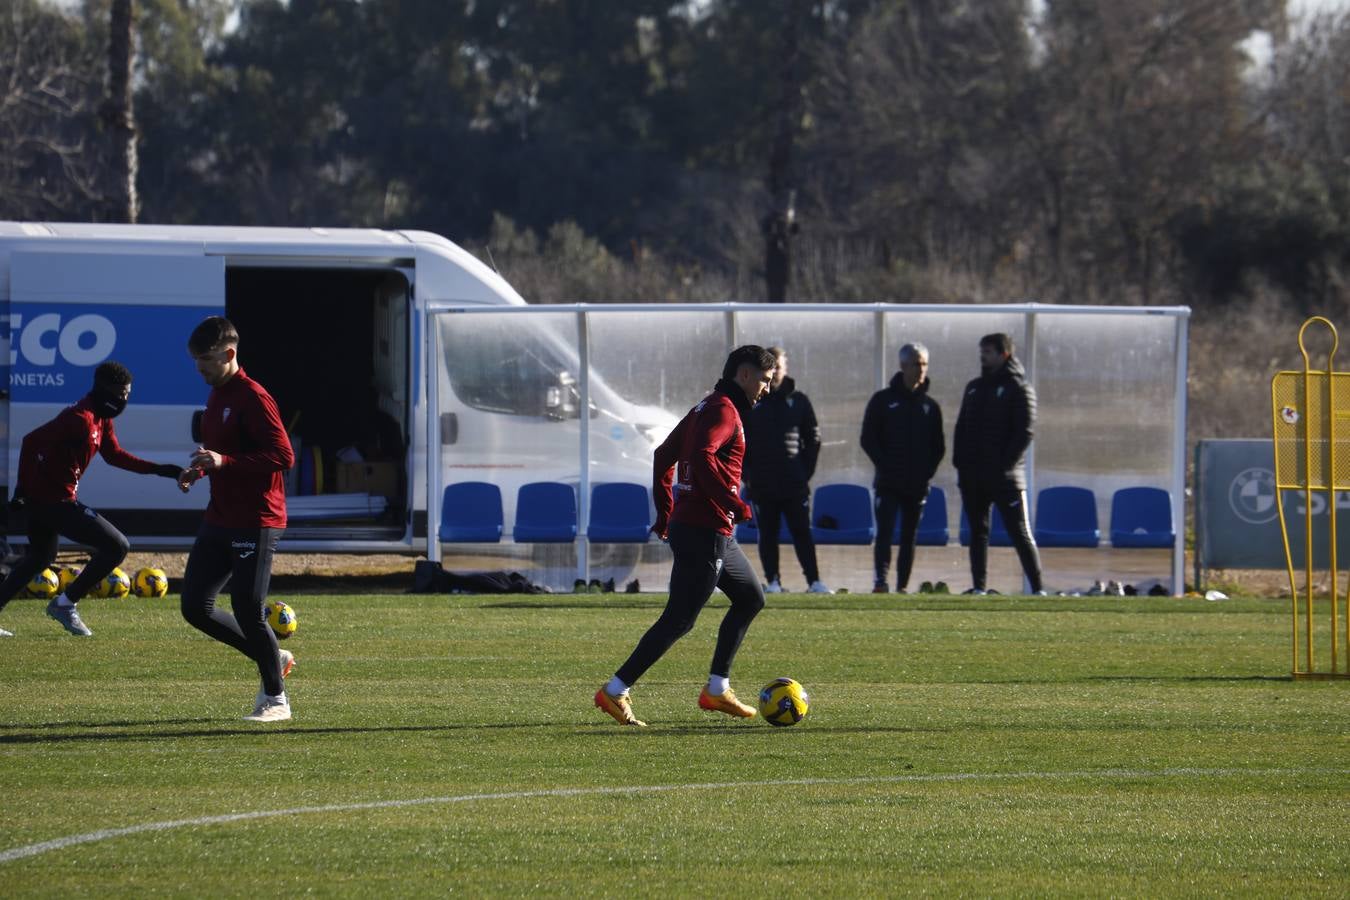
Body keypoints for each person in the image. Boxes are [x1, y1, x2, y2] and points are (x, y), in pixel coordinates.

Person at [595, 345, 777, 727]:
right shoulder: (724, 411)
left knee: (750, 598)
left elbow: (665, 455)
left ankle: (716, 688)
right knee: (679, 619)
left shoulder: (706, 406)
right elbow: (701, 457)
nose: (767, 389)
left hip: (709, 531)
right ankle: (615, 690)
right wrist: (734, 501)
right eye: (764, 380)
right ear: (744, 375)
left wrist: (665, 512)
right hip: (704, 531)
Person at [0, 362, 185, 637]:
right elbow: (30, 442)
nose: (125, 400)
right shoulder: (79, 417)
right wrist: (21, 491)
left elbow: (115, 456)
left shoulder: (101, 418)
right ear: (105, 391)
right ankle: (65, 603)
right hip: (54, 502)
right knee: (117, 546)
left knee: (40, 557)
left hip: (50, 500)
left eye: (128, 394)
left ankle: (60, 603)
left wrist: (164, 470)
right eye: (121, 394)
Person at [178, 316, 297, 722]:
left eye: (206, 360)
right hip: (221, 516)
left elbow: (284, 457)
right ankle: (271, 655)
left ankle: (276, 700)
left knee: (248, 607)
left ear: (229, 354)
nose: (199, 368)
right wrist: (201, 467)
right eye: (195, 360)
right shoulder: (216, 396)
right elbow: (221, 453)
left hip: (257, 518)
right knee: (195, 606)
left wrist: (225, 461)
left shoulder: (253, 397)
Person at [952, 333, 1044, 595]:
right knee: (978, 532)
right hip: (973, 477)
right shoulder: (974, 387)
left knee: (1019, 532)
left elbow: (1025, 432)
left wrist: (1005, 466)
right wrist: (960, 462)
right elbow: (961, 427)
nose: (983, 356)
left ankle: (1038, 589)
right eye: (981, 351)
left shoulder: (1019, 388)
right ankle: (979, 587)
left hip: (1006, 478)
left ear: (1004, 354)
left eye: (989, 352)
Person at [744, 346, 830, 594]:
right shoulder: (752, 401)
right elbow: (740, 441)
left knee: (802, 532)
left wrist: (804, 472)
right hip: (762, 484)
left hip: (794, 483)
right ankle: (773, 582)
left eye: (778, 366)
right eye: (770, 368)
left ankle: (814, 582)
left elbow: (813, 439)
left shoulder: (799, 401)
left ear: (785, 368)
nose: (775, 372)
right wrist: (748, 475)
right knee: (767, 534)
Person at [860, 343, 945, 594]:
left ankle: (903, 586)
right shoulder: (883, 401)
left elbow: (938, 446)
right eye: (916, 364)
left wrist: (926, 472)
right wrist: (885, 466)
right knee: (884, 533)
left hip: (917, 484)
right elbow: (868, 439)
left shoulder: (930, 406)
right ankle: (881, 582)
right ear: (903, 366)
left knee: (910, 537)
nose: (921, 369)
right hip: (888, 482)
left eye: (924, 364)